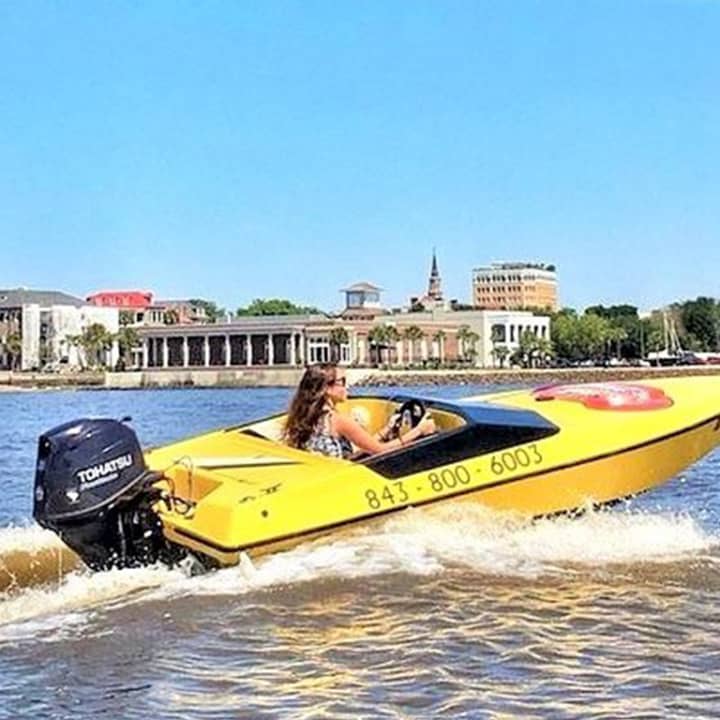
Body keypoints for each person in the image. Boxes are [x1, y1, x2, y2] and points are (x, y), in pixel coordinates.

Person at [283, 363, 435, 459]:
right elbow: (381, 451)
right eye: (342, 382)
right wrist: (419, 430)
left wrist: (387, 429)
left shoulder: (307, 416)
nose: (347, 387)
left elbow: (362, 447)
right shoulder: (337, 420)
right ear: (327, 389)